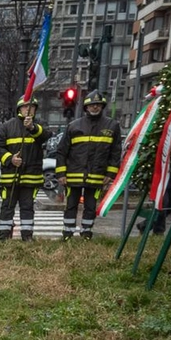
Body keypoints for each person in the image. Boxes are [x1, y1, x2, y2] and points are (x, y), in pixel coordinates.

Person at [55, 90, 122, 240]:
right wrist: (61, 174)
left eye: (98, 105)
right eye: (92, 105)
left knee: (91, 206)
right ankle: (67, 233)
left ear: (102, 106)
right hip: (74, 175)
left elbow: (116, 152)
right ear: (86, 107)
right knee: (70, 205)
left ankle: (86, 232)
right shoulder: (74, 126)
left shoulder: (112, 126)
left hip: (97, 176)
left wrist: (110, 174)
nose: (95, 107)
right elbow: (62, 151)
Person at [0, 97, 52, 240]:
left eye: (31, 107)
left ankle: (27, 237)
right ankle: (4, 237)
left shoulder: (40, 124)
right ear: (19, 109)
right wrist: (10, 159)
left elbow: (46, 136)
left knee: (27, 208)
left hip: (31, 177)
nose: (28, 109)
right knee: (7, 208)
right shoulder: (6, 126)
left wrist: (32, 128)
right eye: (25, 107)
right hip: (10, 177)